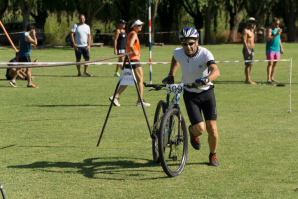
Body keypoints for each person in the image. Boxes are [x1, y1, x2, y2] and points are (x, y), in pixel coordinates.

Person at [162, 27, 220, 166]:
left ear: (197, 41)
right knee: (200, 128)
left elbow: (216, 71)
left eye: (191, 43)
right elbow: (175, 59)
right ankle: (192, 133)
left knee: (211, 128)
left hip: (207, 92)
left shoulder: (205, 53)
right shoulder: (178, 52)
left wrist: (206, 79)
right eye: (184, 43)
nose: (188, 47)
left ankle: (213, 155)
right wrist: (171, 75)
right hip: (190, 94)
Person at [109, 19, 150, 107]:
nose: (141, 26)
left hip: (129, 60)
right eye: (139, 25)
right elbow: (131, 45)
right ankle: (140, 101)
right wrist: (135, 52)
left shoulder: (131, 33)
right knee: (140, 80)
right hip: (133, 60)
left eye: (141, 25)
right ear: (134, 26)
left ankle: (115, 97)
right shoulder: (134, 33)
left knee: (127, 80)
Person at [266, 17, 284, 84]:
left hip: (277, 49)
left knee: (275, 63)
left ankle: (272, 77)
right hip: (270, 48)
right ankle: (268, 79)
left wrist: (281, 47)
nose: (277, 25)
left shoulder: (278, 29)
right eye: (276, 24)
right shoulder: (269, 29)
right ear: (273, 23)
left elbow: (279, 39)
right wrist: (276, 34)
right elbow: (268, 38)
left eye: (278, 24)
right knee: (270, 63)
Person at [242, 17, 257, 84]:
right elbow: (244, 40)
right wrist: (247, 49)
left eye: (253, 22)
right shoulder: (245, 30)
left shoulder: (252, 30)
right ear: (248, 22)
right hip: (247, 49)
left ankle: (248, 79)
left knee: (250, 64)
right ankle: (248, 80)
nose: (252, 23)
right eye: (251, 22)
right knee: (248, 64)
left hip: (252, 49)